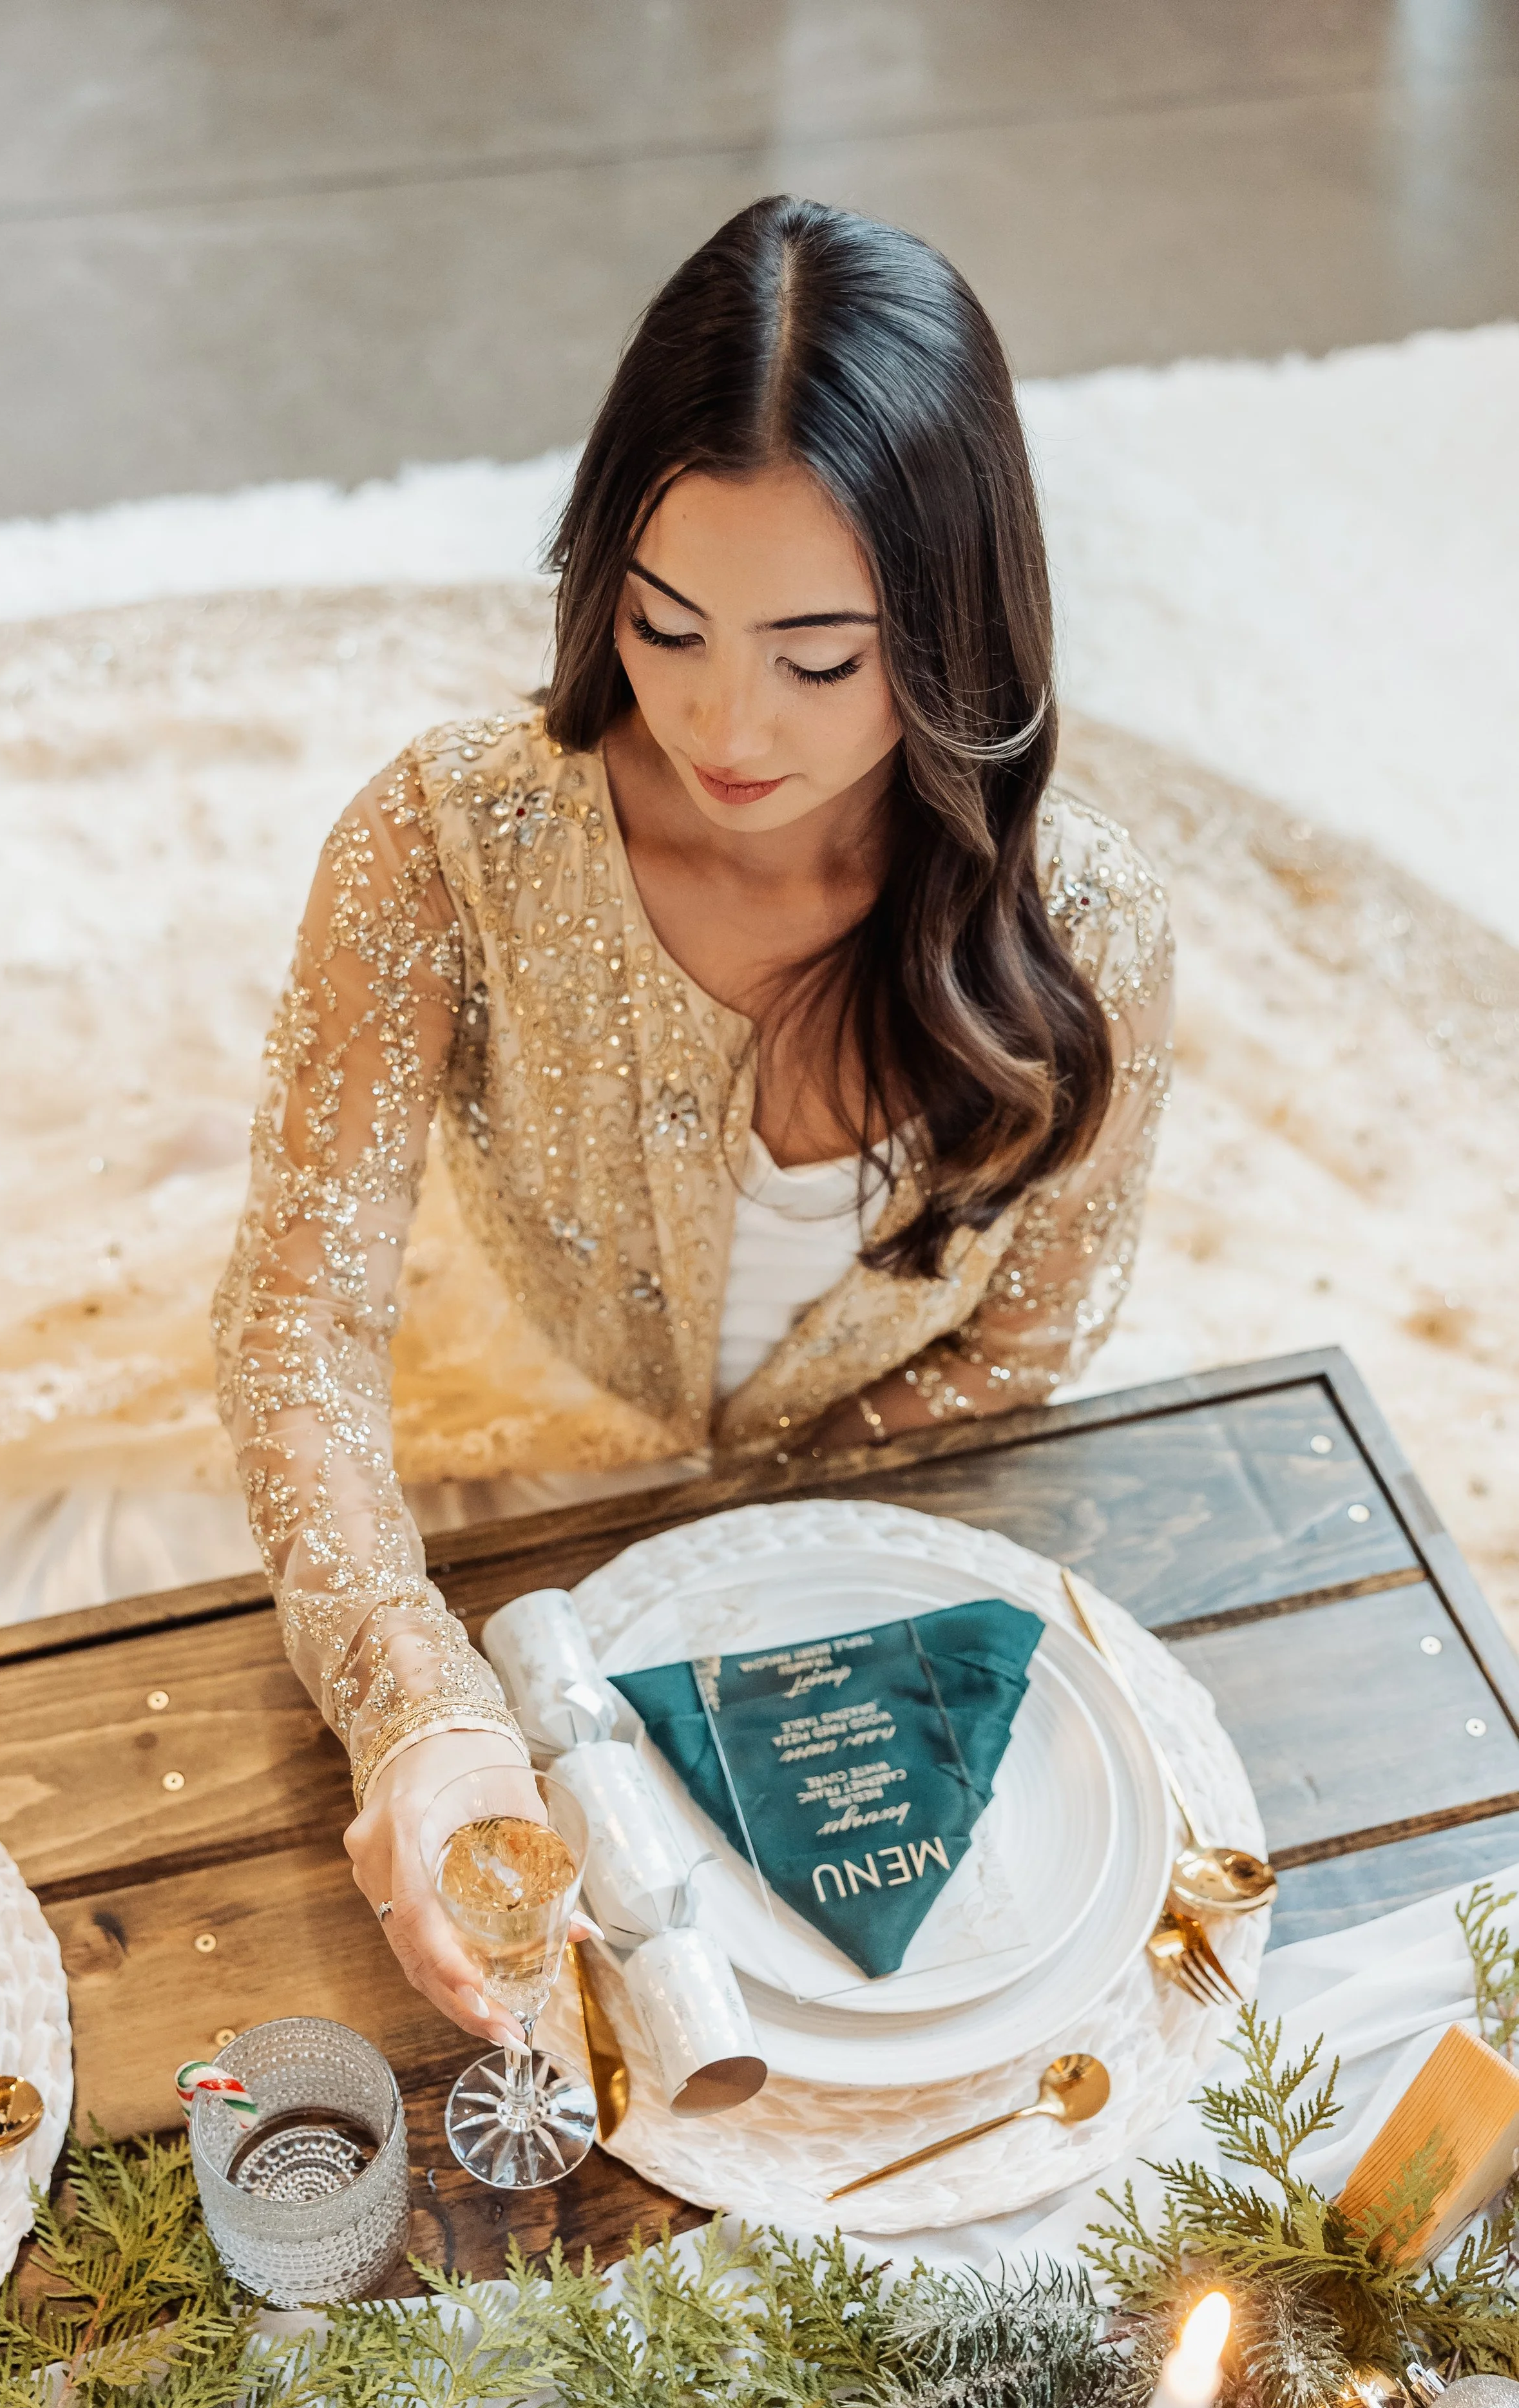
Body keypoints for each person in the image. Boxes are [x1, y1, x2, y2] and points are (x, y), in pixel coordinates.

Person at [212, 195, 1173, 2049]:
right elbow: (293, 1322)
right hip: (504, 1476)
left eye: (821, 656)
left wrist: (747, 1573)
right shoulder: (441, 844)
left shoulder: (1096, 928)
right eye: (666, 625)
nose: (727, 722)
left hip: (852, 1549)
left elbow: (1028, 1340)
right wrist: (417, 1706)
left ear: (959, 622)